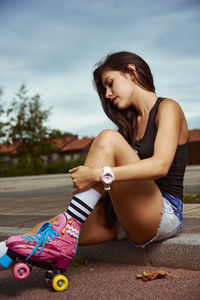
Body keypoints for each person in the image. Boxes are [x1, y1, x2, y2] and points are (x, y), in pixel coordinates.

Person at [0, 51, 188, 271]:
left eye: (110, 84)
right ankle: (9, 253)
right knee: (42, 229)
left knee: (108, 138)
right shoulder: (129, 125)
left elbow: (160, 165)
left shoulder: (168, 108)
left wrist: (99, 174)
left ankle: (67, 231)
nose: (108, 94)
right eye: (105, 89)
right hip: (127, 215)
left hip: (164, 214)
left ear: (131, 71)